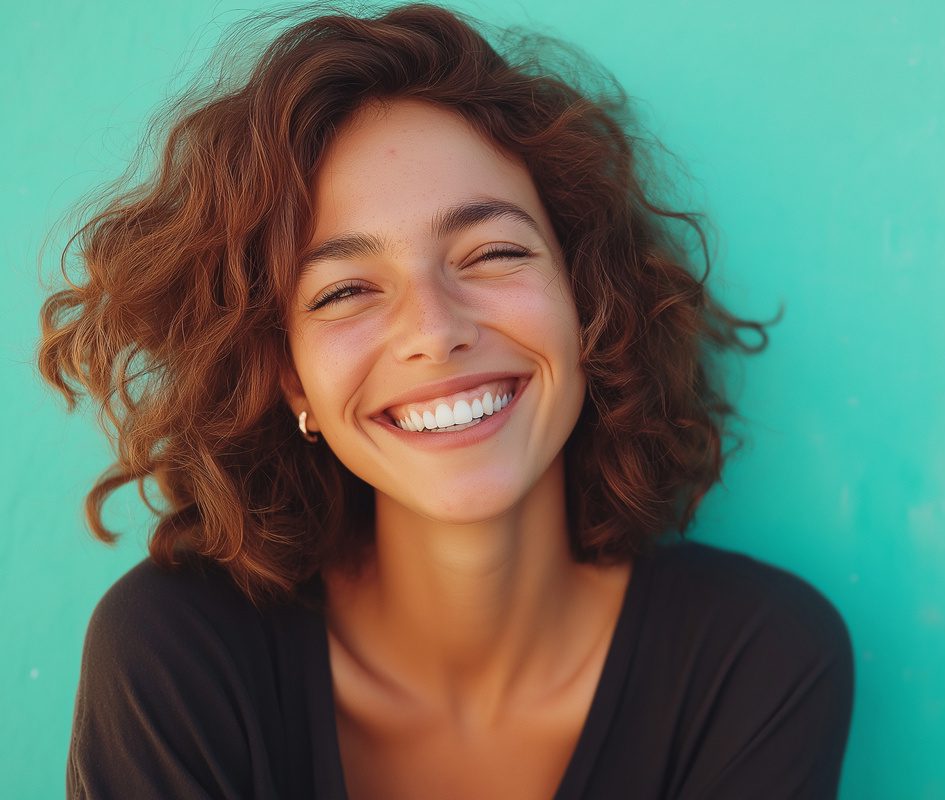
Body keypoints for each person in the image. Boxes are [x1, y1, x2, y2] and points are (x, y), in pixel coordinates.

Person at [38, 4, 853, 798]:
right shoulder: (180, 657)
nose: (434, 330)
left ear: (586, 303)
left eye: (493, 252)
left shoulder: (758, 660)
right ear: (291, 379)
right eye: (347, 290)